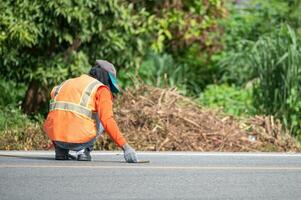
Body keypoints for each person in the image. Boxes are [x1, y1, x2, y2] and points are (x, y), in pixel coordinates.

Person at [43, 60, 138, 163]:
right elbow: (107, 121)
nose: (109, 87)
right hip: (79, 141)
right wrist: (126, 147)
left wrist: (57, 141)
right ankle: (83, 151)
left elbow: (55, 112)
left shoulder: (65, 83)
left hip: (57, 139)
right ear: (105, 77)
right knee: (103, 117)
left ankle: (61, 151)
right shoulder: (100, 89)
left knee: (59, 112)